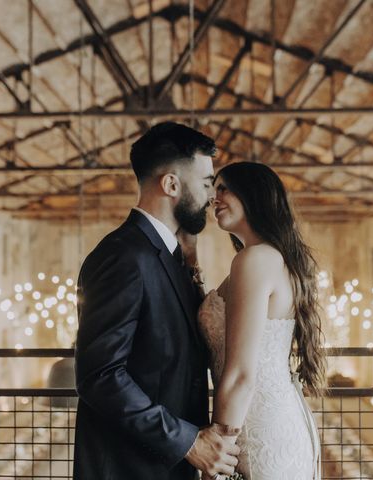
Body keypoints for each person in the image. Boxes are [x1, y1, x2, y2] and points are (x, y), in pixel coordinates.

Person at [73, 122, 240, 480]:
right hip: (127, 468)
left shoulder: (166, 254)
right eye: (207, 183)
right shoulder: (122, 256)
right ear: (171, 185)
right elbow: (100, 375)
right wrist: (187, 442)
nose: (212, 196)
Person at [197, 162, 326, 480]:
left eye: (225, 187)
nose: (216, 196)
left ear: (255, 194)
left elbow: (241, 373)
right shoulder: (265, 258)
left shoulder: (254, 260)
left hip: (259, 433)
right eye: (215, 188)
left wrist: (219, 448)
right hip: (268, 421)